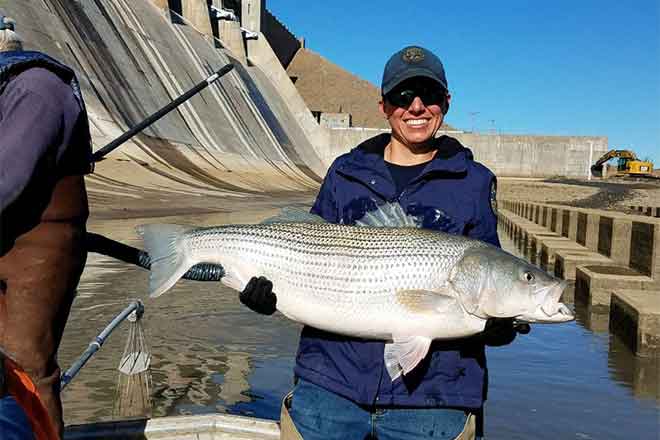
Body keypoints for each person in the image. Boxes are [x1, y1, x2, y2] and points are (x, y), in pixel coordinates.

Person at [240, 46, 528, 439]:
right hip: (329, 387)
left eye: (428, 94)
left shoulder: (474, 182)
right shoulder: (345, 171)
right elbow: (306, 246)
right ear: (383, 105)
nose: (416, 107)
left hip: (435, 401)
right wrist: (266, 292)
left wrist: (501, 324)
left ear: (445, 102)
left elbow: (490, 269)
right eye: (403, 96)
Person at [0, 14, 93, 437]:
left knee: (26, 366)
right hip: (7, 243)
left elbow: (6, 183)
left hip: (38, 251)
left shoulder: (36, 88)